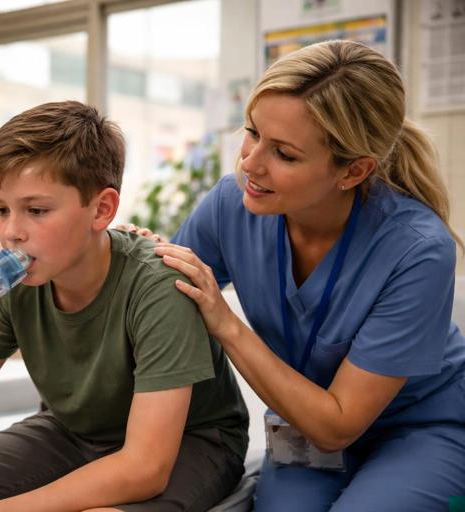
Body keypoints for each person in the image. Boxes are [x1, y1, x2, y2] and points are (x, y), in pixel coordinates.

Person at [150, 40, 465, 511]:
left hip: (420, 425)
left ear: (353, 171)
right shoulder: (229, 206)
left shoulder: (417, 249)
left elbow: (338, 424)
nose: (250, 164)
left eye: (285, 154)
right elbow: (159, 297)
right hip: (302, 427)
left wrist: (226, 323)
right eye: (252, 133)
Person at [0, 100, 249, 512]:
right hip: (74, 431)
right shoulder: (19, 283)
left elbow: (145, 467)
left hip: (192, 442)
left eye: (36, 210)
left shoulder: (157, 285)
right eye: (1, 209)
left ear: (101, 210)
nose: (12, 233)